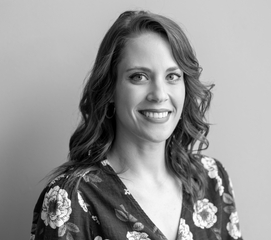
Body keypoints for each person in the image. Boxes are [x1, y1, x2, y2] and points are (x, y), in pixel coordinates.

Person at [30, 10, 243, 240]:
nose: (159, 95)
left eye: (172, 76)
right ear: (110, 89)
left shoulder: (212, 179)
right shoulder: (71, 197)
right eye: (139, 76)